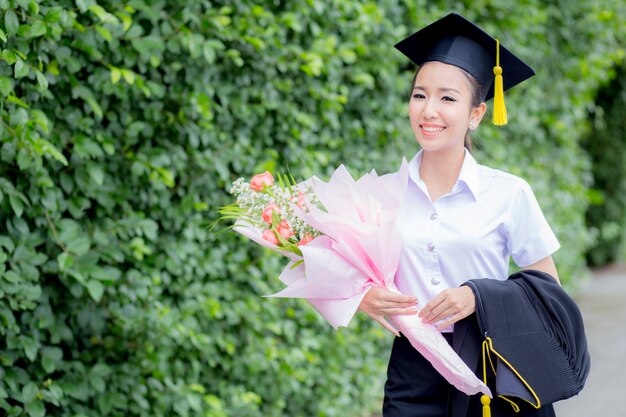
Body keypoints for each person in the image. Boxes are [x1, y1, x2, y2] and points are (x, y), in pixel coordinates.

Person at [357, 13, 562, 417]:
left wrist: (478, 296)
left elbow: (548, 289)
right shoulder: (380, 192)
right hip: (414, 369)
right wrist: (362, 297)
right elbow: (352, 273)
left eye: (447, 98)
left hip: (495, 364)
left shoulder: (508, 193)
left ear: (476, 113)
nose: (429, 110)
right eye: (419, 94)